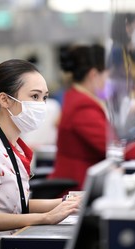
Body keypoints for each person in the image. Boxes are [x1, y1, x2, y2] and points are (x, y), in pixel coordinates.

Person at [0, 59, 80, 235]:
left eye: (44, 97)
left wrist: (67, 202)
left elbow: (15, 204)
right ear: (4, 100)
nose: (41, 105)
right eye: (34, 96)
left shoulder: (11, 145)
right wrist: (45, 217)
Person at [48, 44, 110, 191]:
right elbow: (110, 146)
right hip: (78, 189)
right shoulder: (82, 107)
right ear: (94, 74)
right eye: (109, 75)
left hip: (83, 182)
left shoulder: (76, 97)